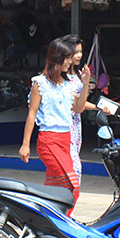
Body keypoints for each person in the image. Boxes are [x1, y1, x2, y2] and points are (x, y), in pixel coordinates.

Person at [20, 38, 90, 213]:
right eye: (67, 57)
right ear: (56, 57)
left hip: (66, 141)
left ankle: (43, 219)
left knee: (54, 189)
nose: (70, 61)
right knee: (71, 185)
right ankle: (61, 221)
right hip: (48, 141)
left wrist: (86, 83)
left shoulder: (68, 85)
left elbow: (79, 108)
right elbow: (32, 114)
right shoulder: (40, 83)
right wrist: (25, 144)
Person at [62, 34, 111, 188]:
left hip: (76, 127)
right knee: (73, 169)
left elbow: (80, 104)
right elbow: (76, 104)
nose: (79, 55)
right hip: (63, 126)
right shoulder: (60, 77)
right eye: (75, 51)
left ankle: (69, 206)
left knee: (73, 167)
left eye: (81, 51)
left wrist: (98, 107)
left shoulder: (77, 75)